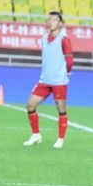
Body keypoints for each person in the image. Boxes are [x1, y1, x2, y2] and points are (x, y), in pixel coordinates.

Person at [23, 11, 73, 149]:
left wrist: (66, 74)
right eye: (49, 20)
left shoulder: (64, 40)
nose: (51, 22)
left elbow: (69, 61)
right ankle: (36, 135)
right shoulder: (43, 39)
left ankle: (60, 139)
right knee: (30, 105)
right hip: (44, 80)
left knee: (61, 109)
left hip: (59, 81)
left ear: (60, 24)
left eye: (54, 20)